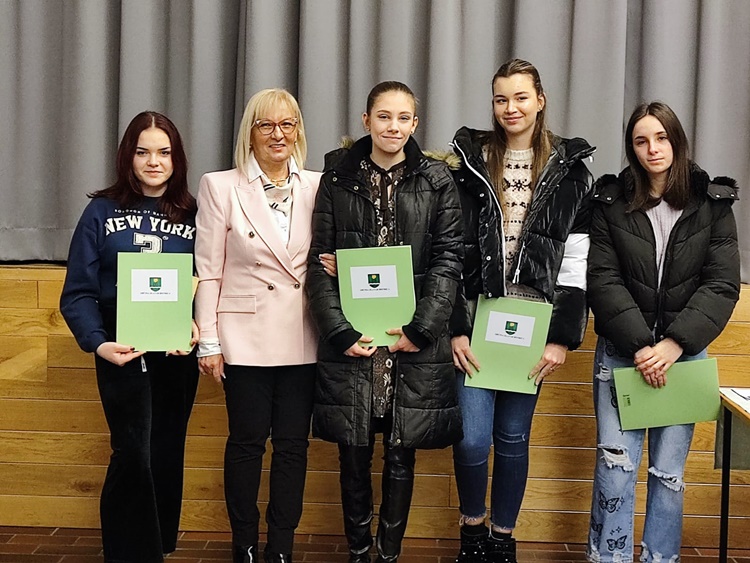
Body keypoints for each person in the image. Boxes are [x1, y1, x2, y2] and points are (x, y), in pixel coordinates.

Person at [306, 81, 464, 563]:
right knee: (353, 449)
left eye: (403, 118)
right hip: (355, 339)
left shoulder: (438, 180)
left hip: (410, 340)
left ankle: (388, 552)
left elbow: (448, 260)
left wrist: (421, 330)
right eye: (383, 116)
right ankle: (358, 551)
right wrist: (339, 332)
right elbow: (319, 262)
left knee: (401, 449)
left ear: (415, 124)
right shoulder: (336, 178)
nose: (393, 126)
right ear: (365, 121)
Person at [449, 58, 595, 563]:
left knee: (512, 438)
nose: (510, 108)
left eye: (520, 97)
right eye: (500, 99)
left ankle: (502, 539)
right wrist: (454, 327)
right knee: (471, 440)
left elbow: (576, 262)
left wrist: (561, 337)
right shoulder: (468, 164)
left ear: (541, 100)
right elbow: (451, 248)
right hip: (474, 319)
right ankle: (471, 529)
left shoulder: (572, 174)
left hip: (533, 324)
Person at [586, 101, 740, 562]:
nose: (652, 149)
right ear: (631, 148)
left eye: (661, 138)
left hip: (683, 359)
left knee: (668, 477)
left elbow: (722, 284)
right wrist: (641, 346)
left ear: (676, 140)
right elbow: (602, 279)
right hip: (621, 355)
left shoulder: (713, 203)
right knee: (615, 470)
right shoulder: (610, 201)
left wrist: (673, 345)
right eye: (641, 140)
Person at [60, 111, 200, 563]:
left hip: (175, 353)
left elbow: (212, 278)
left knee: (165, 448)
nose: (153, 161)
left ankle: (160, 546)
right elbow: (77, 292)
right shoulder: (100, 212)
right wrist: (99, 343)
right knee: (132, 450)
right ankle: (125, 553)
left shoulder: (196, 212)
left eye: (163, 152)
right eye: (143, 152)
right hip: (121, 351)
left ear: (176, 158)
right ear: (128, 157)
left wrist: (196, 324)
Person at [194, 88, 321, 563]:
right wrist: (207, 340)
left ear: (298, 131)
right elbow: (209, 269)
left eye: (287, 124)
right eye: (265, 125)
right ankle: (244, 543)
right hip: (243, 337)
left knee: (293, 446)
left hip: (302, 336)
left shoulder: (317, 185)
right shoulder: (219, 185)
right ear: (250, 133)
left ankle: (281, 546)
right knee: (246, 443)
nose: (277, 134)